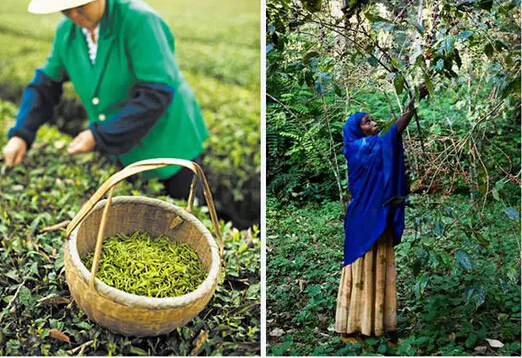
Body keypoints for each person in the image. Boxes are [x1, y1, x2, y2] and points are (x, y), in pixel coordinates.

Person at [2, 0, 208, 199]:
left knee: (182, 213)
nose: (73, 15)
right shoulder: (67, 31)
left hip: (168, 138)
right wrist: (21, 134)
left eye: (80, 6)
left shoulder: (138, 20)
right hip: (122, 142)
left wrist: (99, 136)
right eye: (65, 10)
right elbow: (45, 85)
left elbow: (157, 92)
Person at [335, 85, 429, 339]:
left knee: (379, 265)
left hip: (379, 214)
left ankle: (376, 324)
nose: (373, 122)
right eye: (367, 122)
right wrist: (413, 101)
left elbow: (390, 137)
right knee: (363, 267)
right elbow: (394, 130)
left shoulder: (368, 145)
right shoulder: (359, 149)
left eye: (371, 119)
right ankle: (357, 324)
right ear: (357, 130)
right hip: (364, 219)